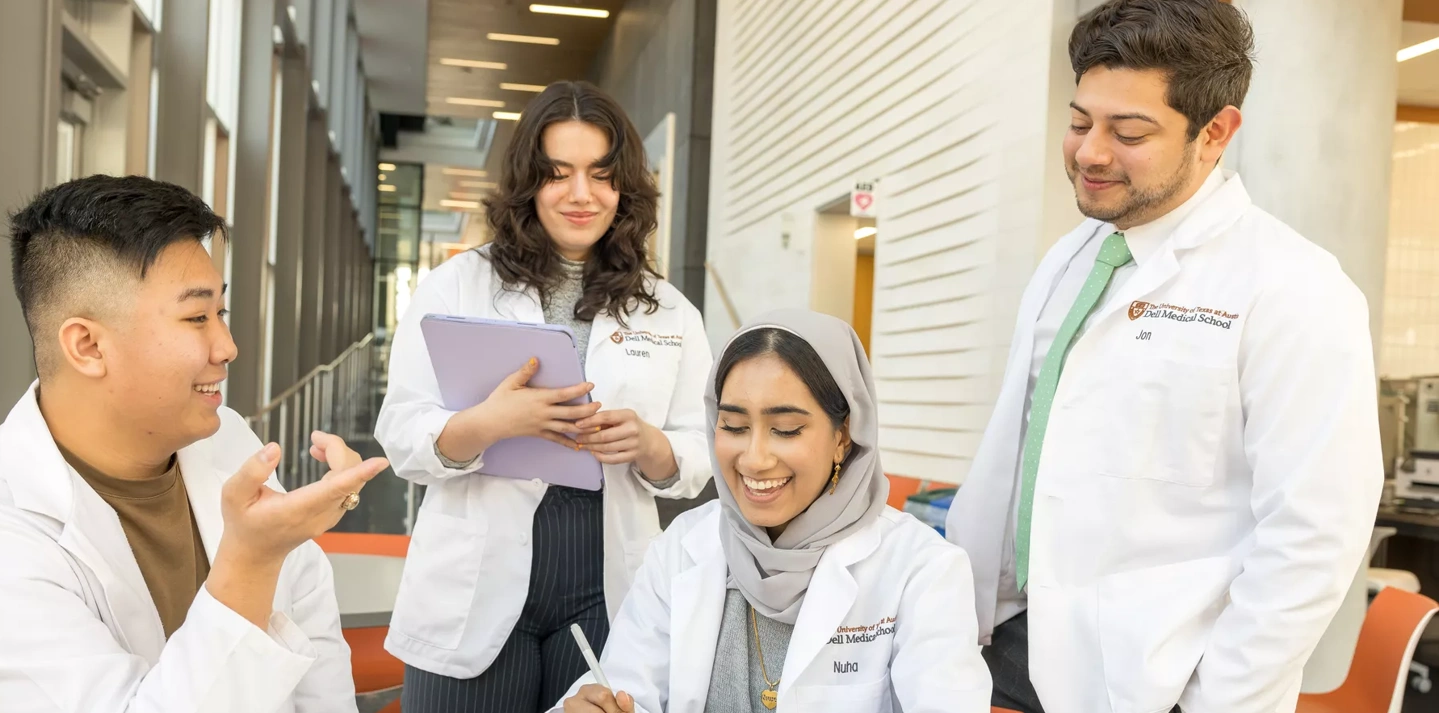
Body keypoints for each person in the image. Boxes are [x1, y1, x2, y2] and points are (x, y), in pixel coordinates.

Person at [944, 1, 1383, 711]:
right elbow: (1019, 453)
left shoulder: (1292, 287)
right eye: (1080, 121)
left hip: (1155, 681)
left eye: (1129, 131)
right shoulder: (1069, 260)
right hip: (1008, 647)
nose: (1089, 152)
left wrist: (1216, 696)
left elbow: (1312, 538)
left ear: (1214, 133)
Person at [0, 175, 386, 712]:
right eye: (196, 317)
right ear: (87, 346)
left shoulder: (223, 439)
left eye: (219, 313)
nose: (227, 346)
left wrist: (285, 543)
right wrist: (251, 563)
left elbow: (311, 634)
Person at [375, 80, 713, 713]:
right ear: (528, 182)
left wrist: (653, 445)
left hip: (604, 583)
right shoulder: (456, 287)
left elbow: (701, 450)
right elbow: (401, 431)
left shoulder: (671, 312)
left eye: (601, 175)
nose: (581, 195)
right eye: (558, 174)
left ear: (626, 187)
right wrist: (487, 424)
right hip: (475, 582)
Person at [555, 310, 990, 713]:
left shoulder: (922, 570)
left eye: (785, 430)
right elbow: (629, 688)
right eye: (734, 426)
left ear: (844, 436)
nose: (754, 459)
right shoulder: (682, 550)